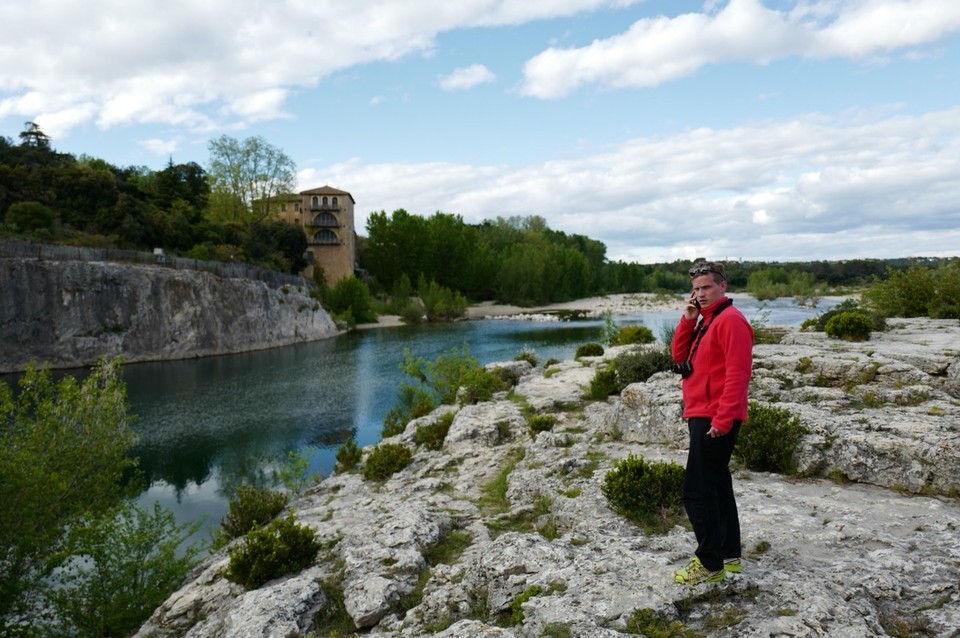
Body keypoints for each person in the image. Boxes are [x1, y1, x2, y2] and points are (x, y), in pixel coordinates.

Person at [670, 261, 753, 586]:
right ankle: (729, 554)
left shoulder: (731, 321)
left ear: (722, 286)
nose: (701, 294)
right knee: (717, 485)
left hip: (714, 416)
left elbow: (738, 374)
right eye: (696, 289)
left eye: (707, 287)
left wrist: (723, 418)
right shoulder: (707, 319)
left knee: (697, 491)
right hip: (702, 412)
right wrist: (688, 319)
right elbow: (679, 357)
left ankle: (709, 563)